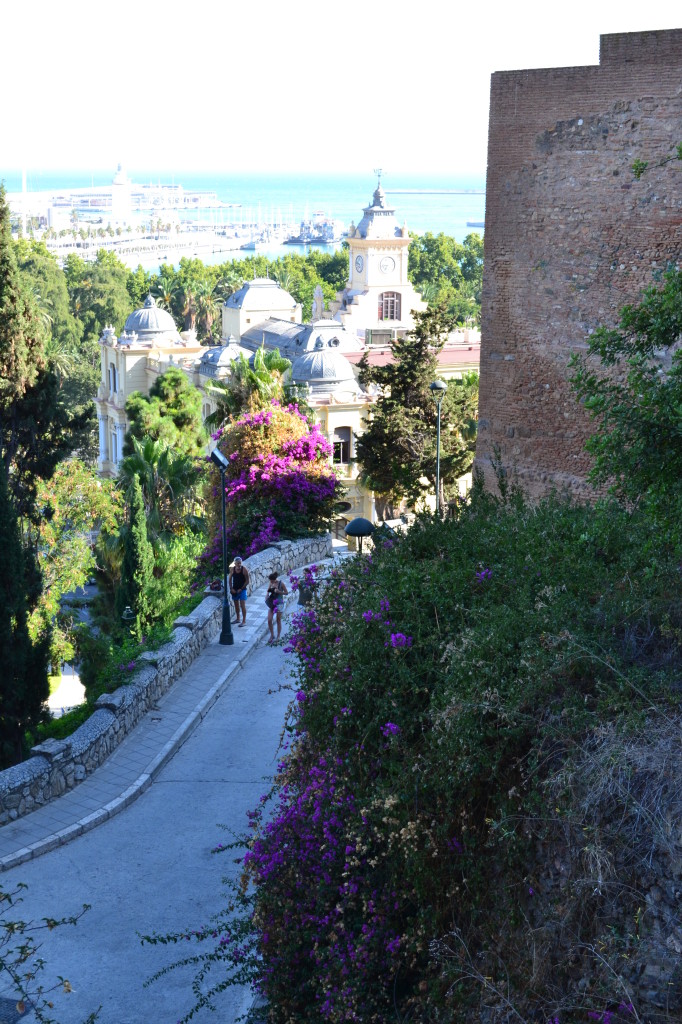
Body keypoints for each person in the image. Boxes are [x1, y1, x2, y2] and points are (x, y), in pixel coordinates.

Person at [266, 572, 288, 643]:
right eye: (270, 581)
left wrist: (279, 592)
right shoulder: (270, 583)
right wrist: (267, 595)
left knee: (278, 620)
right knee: (269, 620)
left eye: (272, 581)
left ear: (274, 579)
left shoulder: (281, 583)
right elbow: (268, 590)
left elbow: (286, 592)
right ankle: (272, 635)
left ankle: (278, 636)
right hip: (272, 604)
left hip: (279, 603)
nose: (271, 582)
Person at [229, 556, 250, 627]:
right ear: (234, 563)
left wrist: (241, 588)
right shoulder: (232, 569)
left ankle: (244, 621)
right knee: (236, 605)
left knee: (242, 605)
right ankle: (238, 618)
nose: (239, 565)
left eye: (240, 563)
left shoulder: (244, 570)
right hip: (235, 589)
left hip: (242, 590)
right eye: (238, 563)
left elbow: (247, 581)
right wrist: (231, 588)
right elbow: (229, 580)